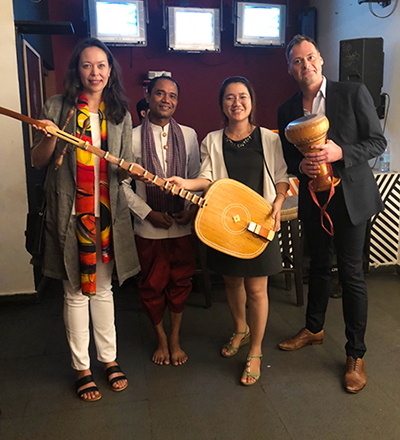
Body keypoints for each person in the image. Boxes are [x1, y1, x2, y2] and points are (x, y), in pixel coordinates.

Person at [31, 38, 140, 402]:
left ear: (111, 72)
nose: (95, 72)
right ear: (77, 70)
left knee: (104, 290)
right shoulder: (57, 106)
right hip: (71, 215)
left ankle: (108, 360)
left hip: (106, 215)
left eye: (102, 66)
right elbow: (39, 161)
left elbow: (120, 170)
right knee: (76, 292)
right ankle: (82, 367)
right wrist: (50, 137)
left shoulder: (119, 114)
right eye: (87, 65)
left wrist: (126, 168)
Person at [277, 35, 386, 393]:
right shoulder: (287, 108)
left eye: (309, 58)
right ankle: (314, 328)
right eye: (296, 61)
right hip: (313, 199)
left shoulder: (352, 94)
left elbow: (377, 142)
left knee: (352, 275)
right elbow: (290, 159)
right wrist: (302, 167)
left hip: (351, 199)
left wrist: (340, 153)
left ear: (321, 60)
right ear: (290, 68)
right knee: (318, 267)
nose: (304, 65)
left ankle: (356, 354)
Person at [167, 76, 289, 385]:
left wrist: (279, 201)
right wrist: (185, 183)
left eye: (243, 97)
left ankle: (256, 350)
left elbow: (281, 177)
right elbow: (206, 178)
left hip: (260, 221)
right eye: (230, 98)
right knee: (233, 284)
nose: (237, 103)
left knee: (257, 289)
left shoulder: (268, 138)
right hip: (225, 223)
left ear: (252, 102)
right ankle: (240, 329)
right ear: (222, 104)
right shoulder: (212, 140)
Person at [122, 76, 200, 366]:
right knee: (152, 286)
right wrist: (148, 213)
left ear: (177, 101)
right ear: (148, 95)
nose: (166, 100)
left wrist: (190, 211)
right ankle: (161, 339)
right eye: (159, 93)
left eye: (172, 96)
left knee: (181, 282)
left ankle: (176, 338)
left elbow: (196, 178)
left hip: (182, 224)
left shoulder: (190, 135)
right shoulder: (130, 137)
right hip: (148, 227)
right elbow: (122, 186)